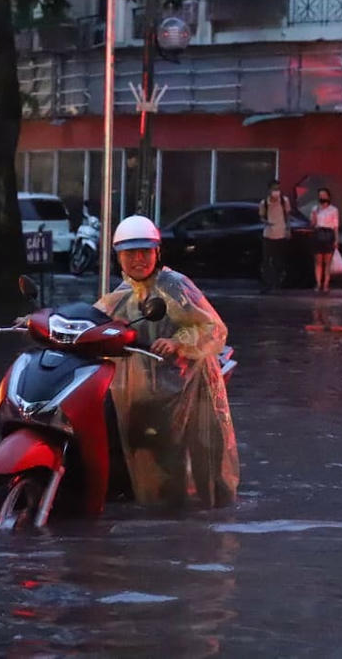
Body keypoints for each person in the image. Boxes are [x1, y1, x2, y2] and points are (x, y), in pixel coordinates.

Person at [94, 215, 239, 509]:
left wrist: (178, 342)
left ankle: (209, 516)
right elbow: (94, 318)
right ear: (118, 256)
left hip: (191, 383)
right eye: (130, 253)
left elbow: (213, 328)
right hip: (151, 387)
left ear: (157, 253)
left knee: (204, 455)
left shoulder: (174, 285)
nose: (138, 259)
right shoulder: (124, 293)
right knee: (146, 449)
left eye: (145, 252)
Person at [258, 180, 292, 292]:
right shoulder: (264, 203)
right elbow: (261, 217)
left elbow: (288, 216)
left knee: (279, 261)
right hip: (268, 234)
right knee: (267, 261)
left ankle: (278, 284)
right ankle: (267, 284)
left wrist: (288, 229)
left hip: (281, 234)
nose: (276, 191)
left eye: (278, 189)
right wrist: (266, 222)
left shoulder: (284, 201)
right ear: (269, 190)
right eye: (274, 189)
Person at [310, 188, 339, 294]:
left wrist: (336, 239)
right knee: (318, 262)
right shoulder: (315, 208)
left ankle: (326, 284)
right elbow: (312, 224)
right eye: (320, 195)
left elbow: (335, 226)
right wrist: (314, 215)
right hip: (318, 233)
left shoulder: (334, 210)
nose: (322, 197)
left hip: (329, 234)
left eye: (324, 195)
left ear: (328, 196)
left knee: (327, 262)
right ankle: (318, 284)